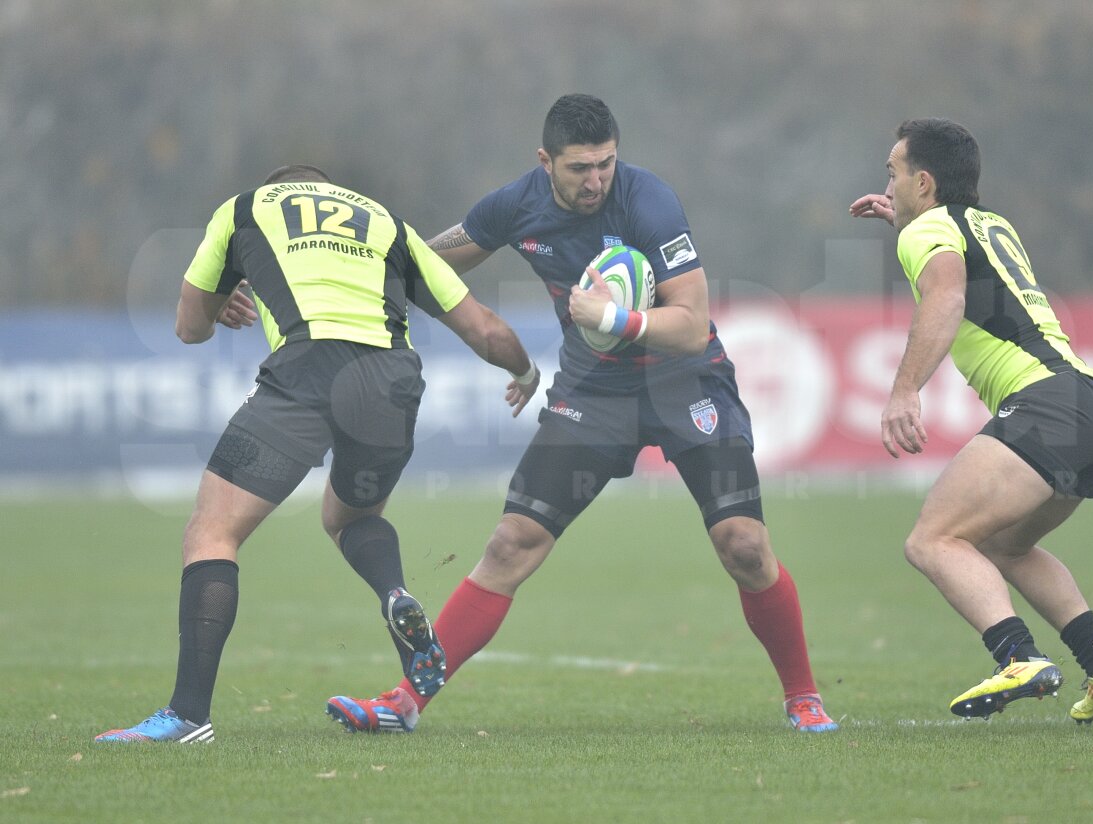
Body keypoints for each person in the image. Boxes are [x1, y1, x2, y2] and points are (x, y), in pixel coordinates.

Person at [327, 94, 839, 733]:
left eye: (606, 164)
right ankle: (405, 702)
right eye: (579, 168)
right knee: (511, 543)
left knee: (744, 545)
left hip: (687, 385)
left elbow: (692, 325)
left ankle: (803, 697)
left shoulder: (649, 202)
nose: (596, 180)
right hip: (594, 397)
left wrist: (615, 318)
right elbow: (418, 264)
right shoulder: (514, 206)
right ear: (545, 162)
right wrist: (311, 276)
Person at [95, 164, 540, 742]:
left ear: (282, 184)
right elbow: (485, 330)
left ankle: (187, 714)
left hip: (306, 374)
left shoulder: (245, 208)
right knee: (349, 517)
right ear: (329, 188)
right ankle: (395, 593)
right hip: (391, 381)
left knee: (212, 533)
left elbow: (187, 327)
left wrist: (219, 303)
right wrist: (525, 370)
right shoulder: (385, 222)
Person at [849, 119, 1093, 722]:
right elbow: (961, 264)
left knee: (932, 540)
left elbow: (947, 297)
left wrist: (904, 390)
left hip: (1045, 404)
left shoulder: (929, 227)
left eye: (894, 172)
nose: (889, 181)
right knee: (1006, 545)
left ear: (923, 181)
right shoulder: (987, 222)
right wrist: (906, 220)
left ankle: (1017, 655)